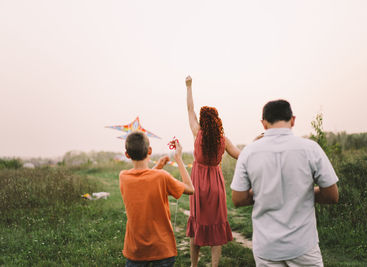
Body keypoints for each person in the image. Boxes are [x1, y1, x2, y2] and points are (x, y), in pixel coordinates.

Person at [231, 99, 339, 267]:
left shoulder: (248, 153)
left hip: (267, 247)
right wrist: (303, 192)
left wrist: (264, 193)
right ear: (293, 120)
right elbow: (332, 196)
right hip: (303, 244)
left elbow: (238, 199)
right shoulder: (311, 148)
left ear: (264, 124)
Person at [185, 76, 241, 267]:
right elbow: (240, 155)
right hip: (216, 185)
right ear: (217, 121)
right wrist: (258, 144)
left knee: (196, 225)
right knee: (216, 225)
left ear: (203, 121)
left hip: (198, 185)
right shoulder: (223, 140)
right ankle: (214, 265)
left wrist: (189, 87)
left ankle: (194, 265)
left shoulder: (197, 133)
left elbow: (190, 110)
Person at [119, 131, 194, 267]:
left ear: (127, 155)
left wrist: (157, 166)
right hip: (162, 248)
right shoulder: (161, 177)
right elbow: (190, 189)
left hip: (136, 251)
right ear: (149, 151)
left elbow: (143, 178)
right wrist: (179, 159)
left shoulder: (123, 177)